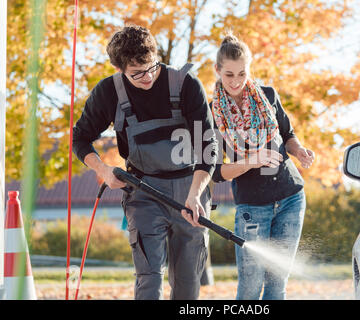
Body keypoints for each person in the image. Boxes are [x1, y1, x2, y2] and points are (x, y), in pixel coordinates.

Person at [72, 25, 218, 300]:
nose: (147, 77)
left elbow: (208, 148)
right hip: (143, 191)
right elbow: (80, 138)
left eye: (151, 67)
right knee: (149, 278)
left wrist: (196, 195)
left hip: (190, 190)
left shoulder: (186, 84)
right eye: (136, 73)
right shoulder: (108, 92)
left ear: (156, 55)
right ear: (119, 69)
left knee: (188, 283)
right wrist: (104, 170)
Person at [209, 33, 315, 300]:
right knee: (250, 288)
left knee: (277, 283)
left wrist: (299, 150)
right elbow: (216, 171)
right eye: (229, 74)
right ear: (217, 70)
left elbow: (288, 134)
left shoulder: (268, 95)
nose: (236, 81)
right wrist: (251, 161)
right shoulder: (211, 113)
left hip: (291, 197)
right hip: (252, 207)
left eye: (242, 74)